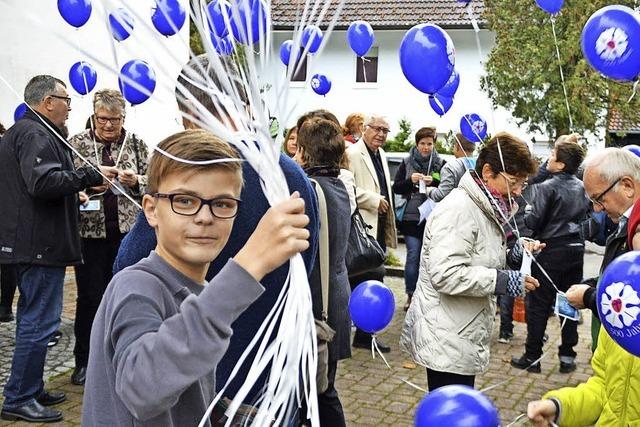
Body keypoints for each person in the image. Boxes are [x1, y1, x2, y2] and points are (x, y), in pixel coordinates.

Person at [112, 55, 319, 415]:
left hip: (206, 383)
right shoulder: (293, 176)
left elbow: (130, 266)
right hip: (275, 380)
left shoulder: (190, 175)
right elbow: (306, 264)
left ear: (188, 114)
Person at [82, 129, 310, 426]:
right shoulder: (136, 286)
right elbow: (141, 388)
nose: (205, 216)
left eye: (222, 204)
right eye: (185, 201)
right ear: (151, 210)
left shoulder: (197, 291)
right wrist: (247, 265)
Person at [0, 75, 105, 423]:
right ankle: (19, 397)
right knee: (38, 323)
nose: (69, 107)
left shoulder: (28, 131)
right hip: (39, 245)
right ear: (47, 101)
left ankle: (29, 387)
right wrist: (86, 177)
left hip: (34, 242)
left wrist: (72, 189)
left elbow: (35, 184)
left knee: (38, 321)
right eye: (66, 100)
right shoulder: (35, 133)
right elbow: (41, 182)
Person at [401, 132, 541, 391]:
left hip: (461, 331)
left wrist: (515, 255)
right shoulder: (460, 209)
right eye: (514, 181)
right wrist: (503, 281)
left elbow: (481, 257)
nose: (520, 191)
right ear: (488, 172)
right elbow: (446, 274)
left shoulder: (486, 207)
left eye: (523, 183)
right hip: (447, 336)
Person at [67, 89, 150, 386]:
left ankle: (125, 358)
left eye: (114, 120)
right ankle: (85, 361)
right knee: (90, 298)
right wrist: (86, 189)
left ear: (123, 117)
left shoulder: (137, 144)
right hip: (90, 233)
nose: (108, 125)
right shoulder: (76, 144)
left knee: (128, 297)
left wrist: (136, 180)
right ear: (93, 114)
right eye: (102, 119)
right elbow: (66, 183)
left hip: (127, 234)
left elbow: (155, 180)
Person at [511, 139, 589, 374]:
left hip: (551, 249)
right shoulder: (583, 187)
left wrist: (527, 211)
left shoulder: (547, 187)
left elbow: (535, 222)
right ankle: (567, 356)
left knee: (539, 304)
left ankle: (533, 357)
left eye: (553, 154)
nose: (549, 159)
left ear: (562, 164)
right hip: (576, 249)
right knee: (571, 300)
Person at [297, 117, 352, 427]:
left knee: (320, 393)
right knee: (321, 387)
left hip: (319, 306)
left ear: (303, 152)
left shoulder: (310, 189)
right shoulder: (339, 183)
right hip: (335, 297)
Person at [564, 148, 640, 344]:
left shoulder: (637, 228)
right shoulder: (625, 223)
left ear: (627, 186)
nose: (597, 209)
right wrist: (596, 284)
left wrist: (590, 296)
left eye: (599, 199)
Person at [346, 115, 397, 352]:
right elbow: (346, 188)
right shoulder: (353, 153)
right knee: (360, 278)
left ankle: (366, 335)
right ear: (365, 129)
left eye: (385, 130)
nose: (381, 134)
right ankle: (358, 332)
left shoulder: (382, 155)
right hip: (362, 227)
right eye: (377, 129)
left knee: (375, 277)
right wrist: (374, 199)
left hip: (379, 226)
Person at [392, 126, 445, 311]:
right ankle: (411, 295)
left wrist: (434, 182)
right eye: (422, 143)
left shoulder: (441, 163)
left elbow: (449, 188)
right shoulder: (406, 163)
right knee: (413, 255)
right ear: (416, 144)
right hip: (411, 218)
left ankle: (429, 296)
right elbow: (396, 187)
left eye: (429, 143)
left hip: (433, 217)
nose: (426, 147)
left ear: (434, 144)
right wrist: (410, 181)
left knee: (430, 258)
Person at [425, 132, 477, 202]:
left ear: (457, 146)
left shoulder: (450, 167)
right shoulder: (480, 165)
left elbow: (441, 195)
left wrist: (429, 190)